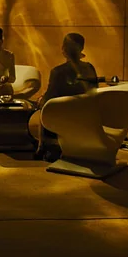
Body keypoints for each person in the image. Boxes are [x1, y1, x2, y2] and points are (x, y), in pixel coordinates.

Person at [32, 33, 99, 161]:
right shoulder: (90, 68)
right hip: (86, 115)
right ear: (81, 48)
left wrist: (41, 99)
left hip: (64, 115)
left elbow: (49, 97)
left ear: (63, 49)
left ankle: (42, 147)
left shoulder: (58, 72)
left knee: (43, 107)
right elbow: (94, 91)